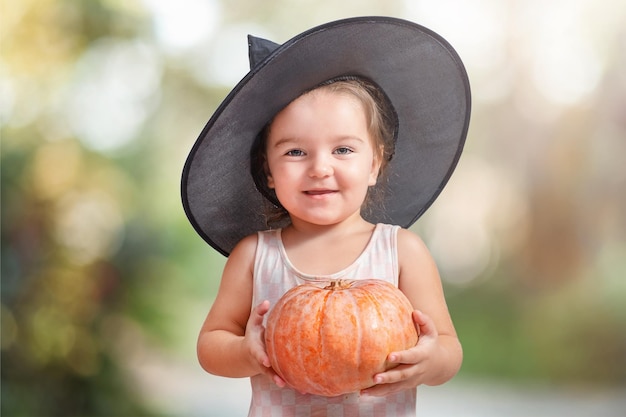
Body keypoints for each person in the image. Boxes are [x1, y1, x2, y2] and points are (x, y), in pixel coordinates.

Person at [182, 17, 471, 417]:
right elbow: (211, 344)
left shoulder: (402, 251)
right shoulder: (254, 255)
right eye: (295, 152)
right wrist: (246, 352)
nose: (320, 168)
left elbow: (448, 348)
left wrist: (429, 361)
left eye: (343, 150)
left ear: (375, 165)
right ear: (268, 170)